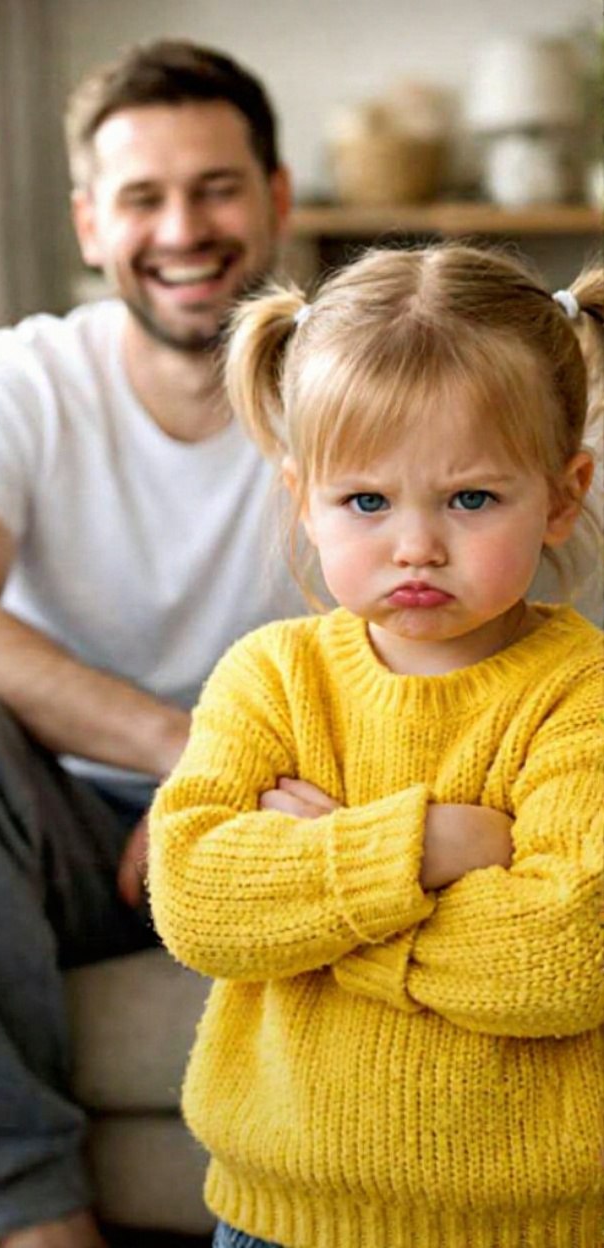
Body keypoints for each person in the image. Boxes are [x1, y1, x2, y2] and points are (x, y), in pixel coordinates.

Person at [0, 40, 305, 1248]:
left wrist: (224, 795)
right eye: (142, 197)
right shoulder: (14, 381)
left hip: (287, 817)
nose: (183, 230)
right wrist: (187, 754)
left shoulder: (355, 383)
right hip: (66, 821)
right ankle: (34, 1221)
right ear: (91, 222)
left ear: (276, 196)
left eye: (215, 188)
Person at [148, 244, 604, 1248]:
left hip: (537, 1229)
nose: (415, 546)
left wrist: (320, 912)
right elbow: (193, 898)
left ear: (563, 493)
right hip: (275, 1218)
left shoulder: (583, 695)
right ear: (302, 498)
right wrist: (425, 848)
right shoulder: (270, 678)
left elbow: (567, 955)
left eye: (470, 499)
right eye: (366, 501)